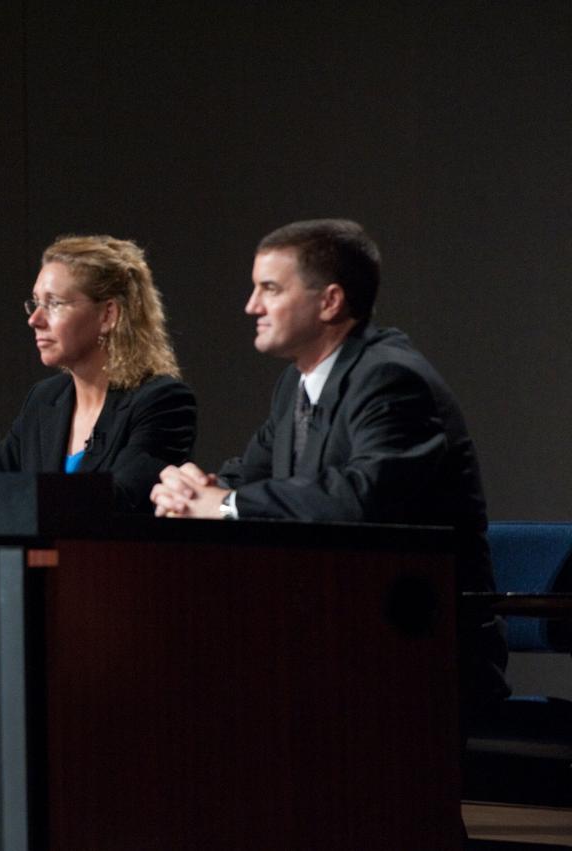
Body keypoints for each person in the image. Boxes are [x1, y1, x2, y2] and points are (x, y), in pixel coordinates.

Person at [149, 218, 508, 713]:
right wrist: (190, 488)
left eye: (269, 289)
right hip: (334, 635)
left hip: (415, 647)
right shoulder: (296, 385)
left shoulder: (389, 378)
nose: (251, 306)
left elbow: (362, 497)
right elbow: (248, 472)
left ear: (330, 301)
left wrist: (227, 504)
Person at [0, 235, 196, 510]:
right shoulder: (44, 400)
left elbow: (119, 501)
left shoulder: (162, 402)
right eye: (35, 303)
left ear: (108, 315)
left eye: (54, 303)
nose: (35, 319)